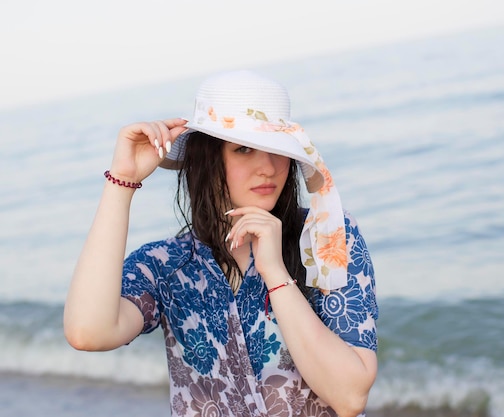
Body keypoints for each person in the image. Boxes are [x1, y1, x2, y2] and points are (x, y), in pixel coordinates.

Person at [64, 70, 378, 417]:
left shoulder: (326, 235)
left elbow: (350, 397)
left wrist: (274, 273)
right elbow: (87, 332)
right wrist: (121, 182)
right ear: (207, 160)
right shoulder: (167, 264)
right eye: (244, 149)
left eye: (277, 149)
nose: (268, 167)